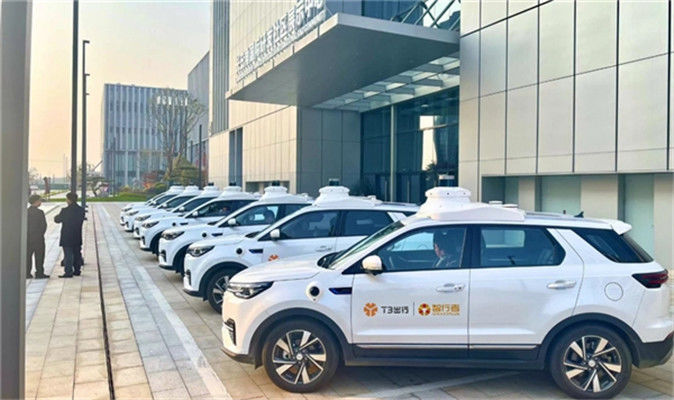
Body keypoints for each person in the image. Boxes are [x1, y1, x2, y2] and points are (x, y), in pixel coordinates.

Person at [54, 192, 85, 278]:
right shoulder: (81, 210)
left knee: (68, 254)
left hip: (67, 235)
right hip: (77, 234)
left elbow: (57, 220)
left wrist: (56, 216)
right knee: (77, 253)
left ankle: (68, 272)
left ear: (69, 200)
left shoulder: (65, 210)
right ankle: (77, 270)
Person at [27, 194, 49, 279]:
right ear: (36, 201)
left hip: (28, 238)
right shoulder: (40, 212)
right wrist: (41, 234)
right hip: (38, 238)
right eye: (40, 200)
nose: (40, 202)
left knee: (28, 256)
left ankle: (27, 273)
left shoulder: (26, 212)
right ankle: (39, 273)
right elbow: (44, 225)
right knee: (39, 256)